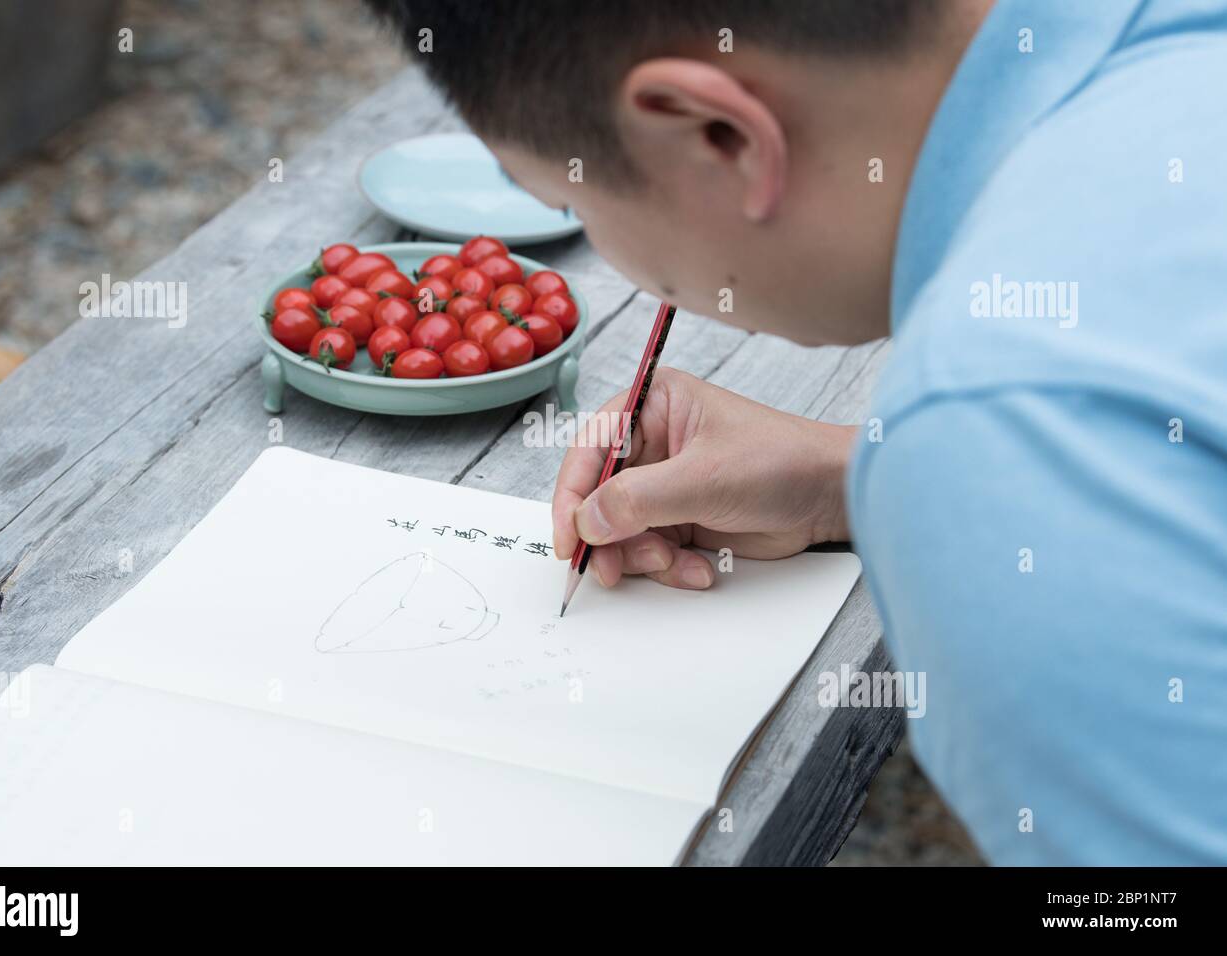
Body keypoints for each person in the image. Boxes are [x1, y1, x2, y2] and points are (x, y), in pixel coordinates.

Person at [364, 0, 1227, 865]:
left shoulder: (998, 432)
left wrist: (949, 476)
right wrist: (849, 476)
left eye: (568, 198)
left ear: (718, 136)